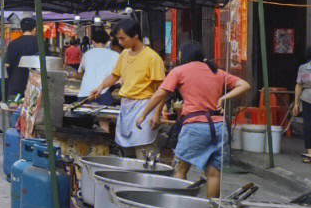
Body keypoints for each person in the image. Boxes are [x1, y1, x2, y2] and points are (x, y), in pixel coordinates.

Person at [136, 41, 250, 198]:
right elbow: (244, 85)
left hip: (195, 126)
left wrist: (143, 114)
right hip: (219, 126)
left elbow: (160, 94)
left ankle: (180, 206)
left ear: (184, 56)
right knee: (214, 173)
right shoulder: (217, 72)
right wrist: (224, 98)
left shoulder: (179, 71)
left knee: (179, 169)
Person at [90, 18, 167, 156]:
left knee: (143, 153)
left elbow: (161, 91)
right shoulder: (124, 54)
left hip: (144, 107)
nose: (120, 42)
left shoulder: (153, 58)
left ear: (135, 35)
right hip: (125, 107)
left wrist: (157, 113)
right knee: (125, 153)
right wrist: (101, 86)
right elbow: (115, 76)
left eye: (123, 38)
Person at [77, 27, 120, 101]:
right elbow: (118, 74)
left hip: (85, 92)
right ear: (107, 42)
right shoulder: (115, 55)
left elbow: (80, 72)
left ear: (93, 41)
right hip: (103, 93)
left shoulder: (87, 54)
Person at [4, 17, 39, 101]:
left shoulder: (13, 43)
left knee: (15, 110)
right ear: (34, 29)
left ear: (21, 29)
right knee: (33, 112)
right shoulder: (41, 43)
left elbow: (7, 64)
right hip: (36, 87)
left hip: (16, 85)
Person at [294, 47, 311, 163]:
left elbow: (299, 85)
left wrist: (296, 103)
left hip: (307, 97)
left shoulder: (303, 68)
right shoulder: (303, 68)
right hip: (307, 97)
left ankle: (310, 153)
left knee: (308, 124)